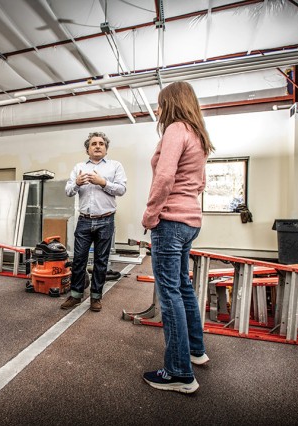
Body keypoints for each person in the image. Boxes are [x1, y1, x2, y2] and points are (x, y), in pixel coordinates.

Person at [141, 81, 215, 394]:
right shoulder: (197, 134)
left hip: (170, 221)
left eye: (159, 104)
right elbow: (200, 182)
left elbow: (165, 176)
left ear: (171, 103)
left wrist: (150, 214)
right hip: (190, 220)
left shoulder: (175, 129)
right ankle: (195, 351)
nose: (157, 110)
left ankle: (179, 373)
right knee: (182, 287)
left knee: (169, 293)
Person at [62, 132, 127, 312]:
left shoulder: (115, 166)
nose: (97, 146)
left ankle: (96, 297)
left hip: (106, 219)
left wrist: (103, 182)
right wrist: (76, 183)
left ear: (106, 149)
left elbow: (121, 189)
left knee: (101, 261)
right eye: (93, 144)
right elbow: (68, 191)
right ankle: (75, 295)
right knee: (79, 260)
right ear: (87, 149)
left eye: (101, 144)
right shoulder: (79, 166)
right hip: (84, 220)